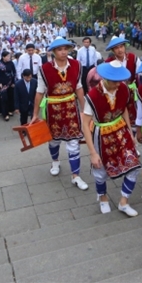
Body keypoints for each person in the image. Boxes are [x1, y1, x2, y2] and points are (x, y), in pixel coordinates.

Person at [81, 60, 141, 216]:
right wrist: (92, 152)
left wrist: (130, 131)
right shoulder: (93, 96)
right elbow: (85, 124)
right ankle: (103, 198)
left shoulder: (124, 89)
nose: (117, 85)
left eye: (119, 81)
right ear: (105, 79)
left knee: (133, 165)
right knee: (100, 170)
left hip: (121, 131)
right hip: (101, 134)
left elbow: (125, 109)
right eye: (114, 81)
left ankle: (124, 201)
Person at [31, 38, 88, 191]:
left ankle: (75, 175)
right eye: (60, 49)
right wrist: (35, 114)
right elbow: (39, 92)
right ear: (53, 52)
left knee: (74, 143)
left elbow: (79, 88)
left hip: (71, 108)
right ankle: (55, 161)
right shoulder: (44, 69)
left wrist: (84, 110)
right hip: (53, 110)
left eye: (65, 49)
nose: (63, 52)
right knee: (53, 141)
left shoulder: (76, 65)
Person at [105, 37, 141, 126]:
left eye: (121, 47)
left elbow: (140, 75)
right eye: (116, 48)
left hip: (132, 92)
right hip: (116, 92)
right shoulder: (109, 62)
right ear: (113, 50)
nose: (119, 50)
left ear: (125, 47)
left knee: (133, 112)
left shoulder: (133, 58)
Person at [0, 51, 17, 121]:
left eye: (9, 56)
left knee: (10, 97)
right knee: (4, 99)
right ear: (3, 57)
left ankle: (10, 110)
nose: (9, 57)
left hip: (10, 83)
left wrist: (13, 82)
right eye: (7, 56)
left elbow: (14, 72)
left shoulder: (11, 63)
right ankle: (5, 113)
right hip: (3, 84)